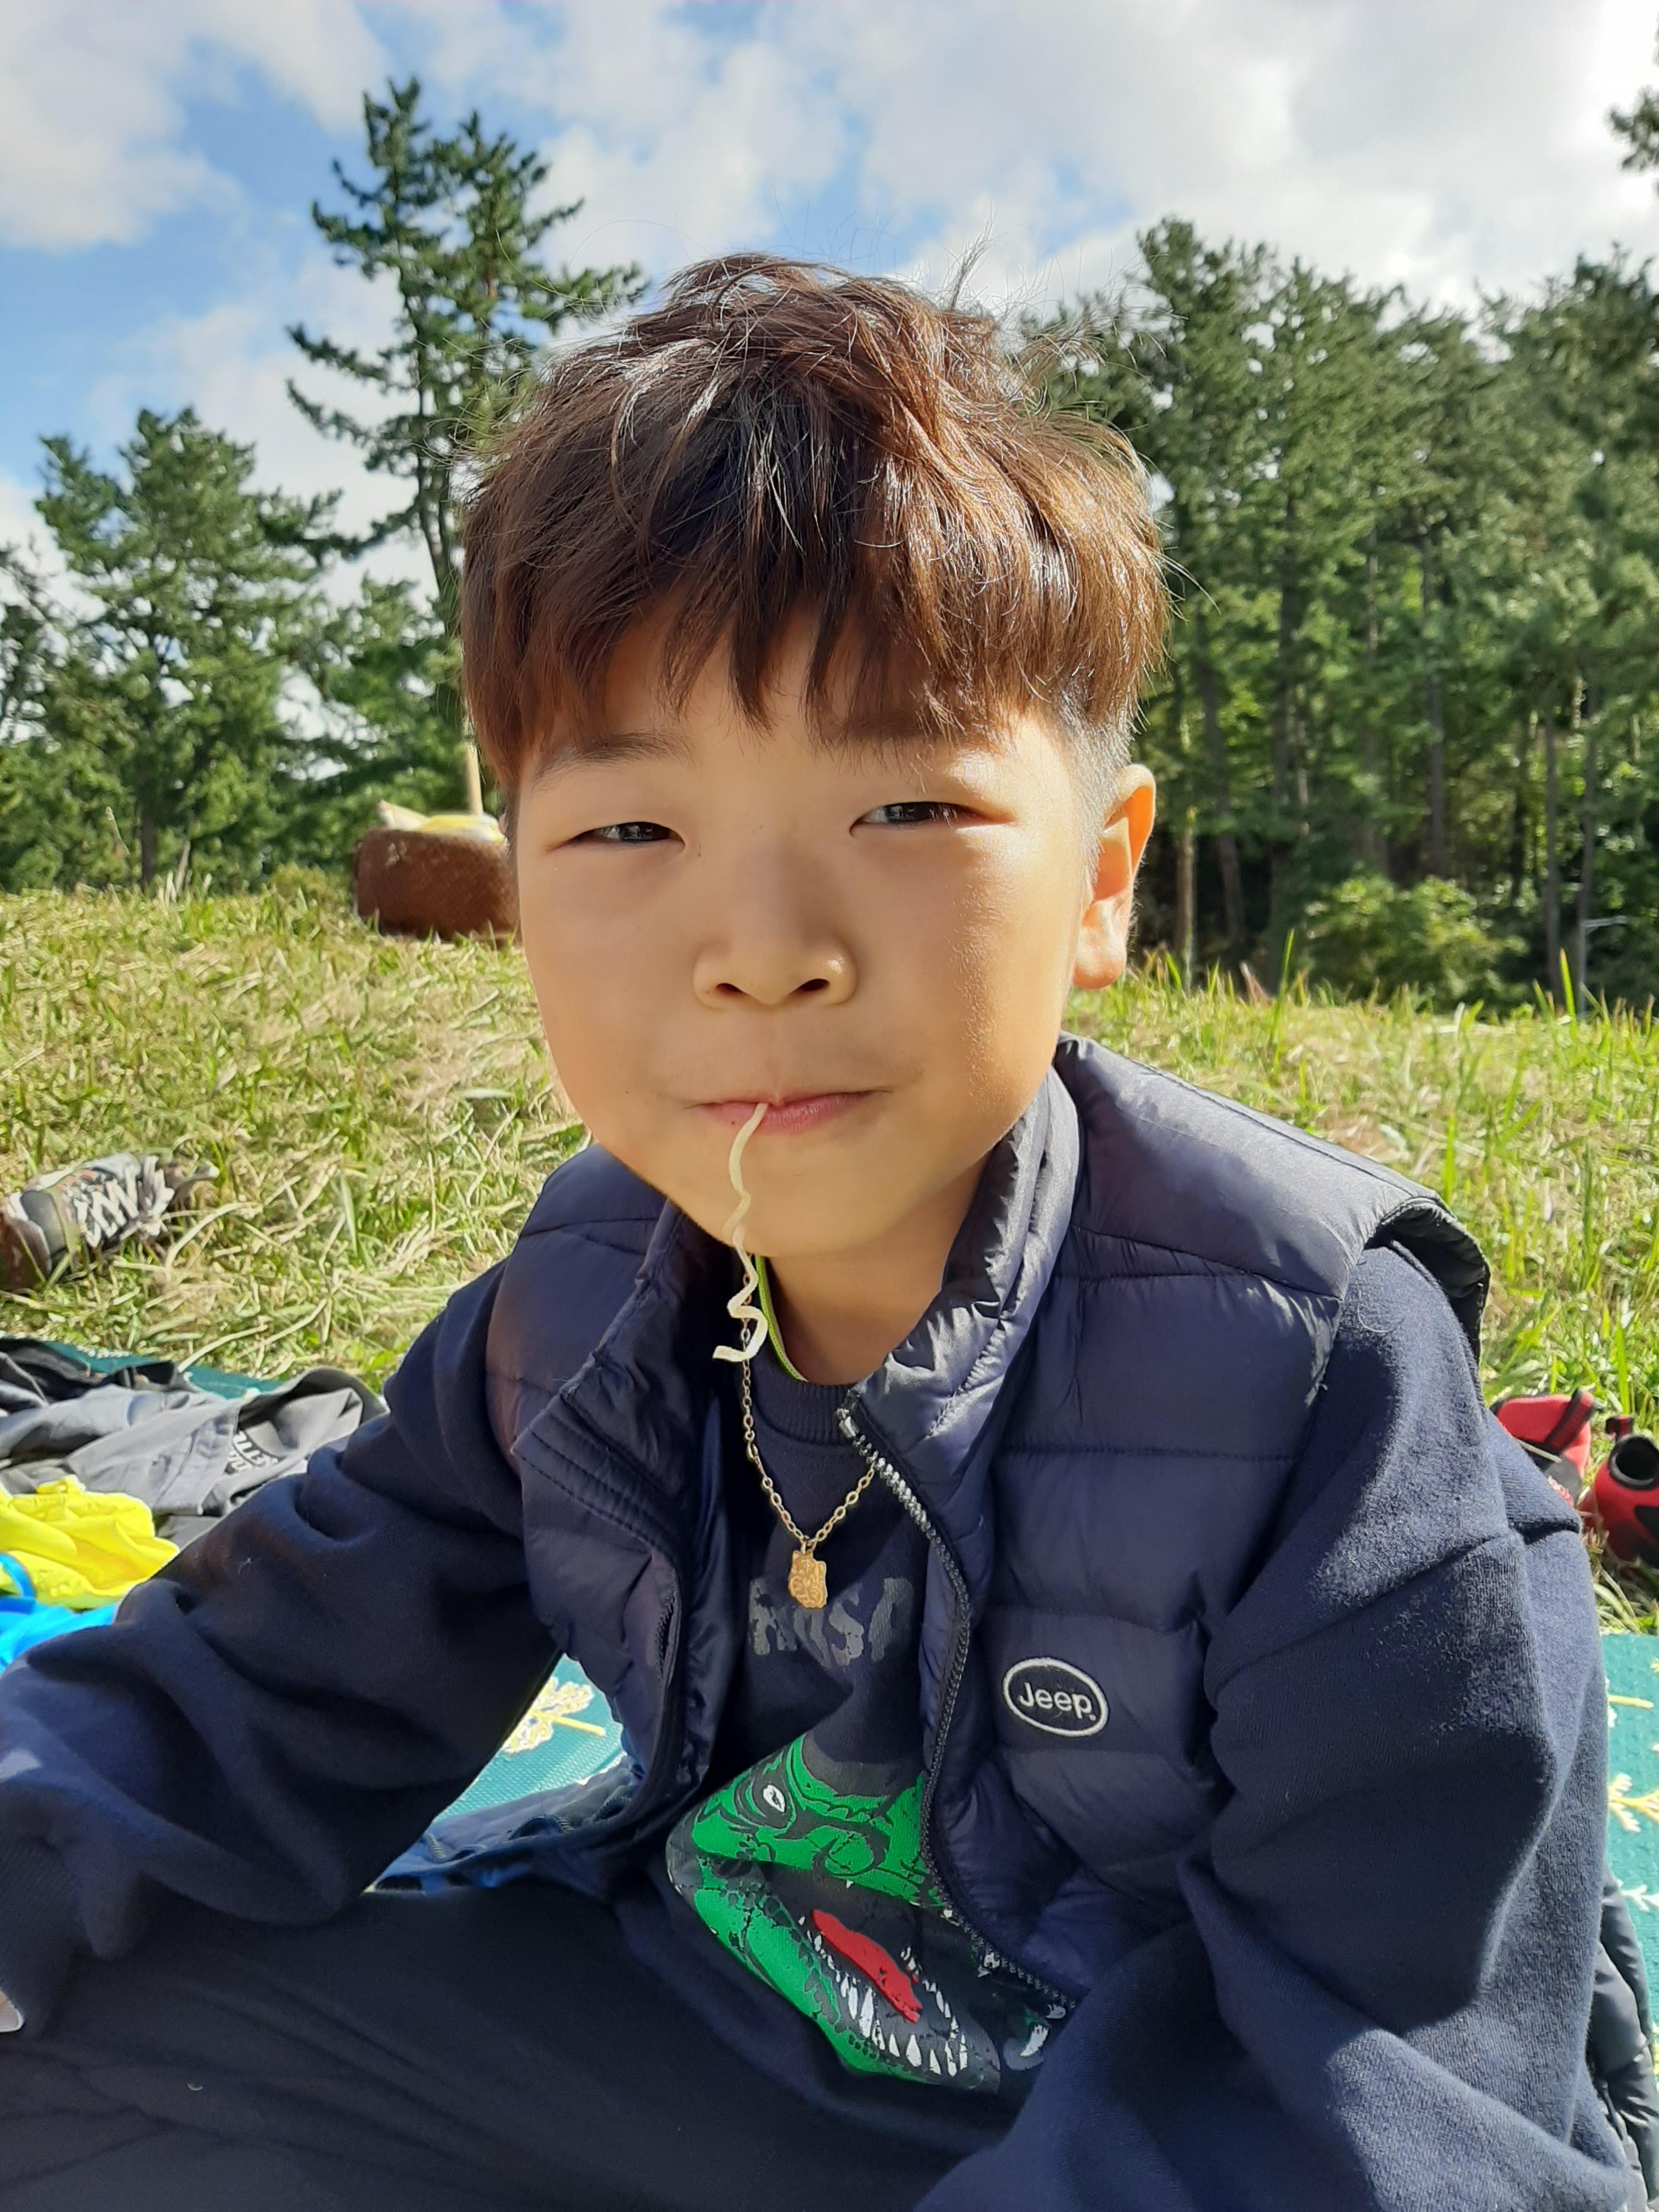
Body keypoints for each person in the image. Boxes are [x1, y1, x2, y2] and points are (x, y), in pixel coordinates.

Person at [0, 256, 1638, 2212]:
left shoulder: (1318, 1388)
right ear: (517, 882)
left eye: (907, 813)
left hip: (1157, 2116)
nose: (762, 952)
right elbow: (249, 1685)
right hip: (720, 2026)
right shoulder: (574, 1310)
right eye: (629, 831)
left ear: (1103, 878)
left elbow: (1387, 2105)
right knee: (74, 2064)